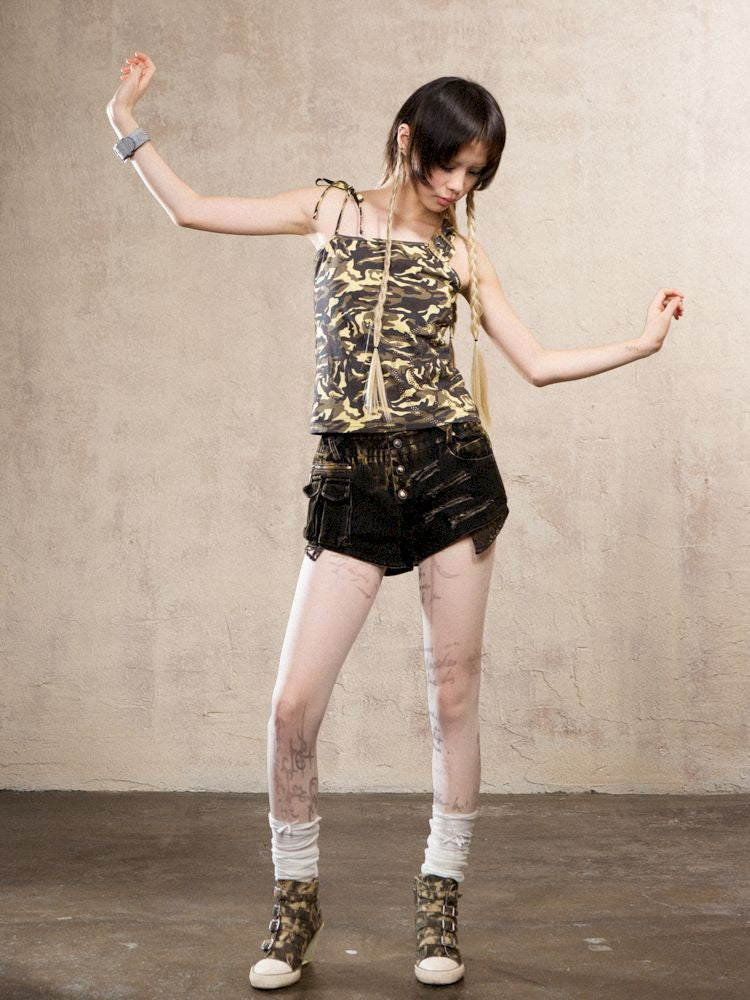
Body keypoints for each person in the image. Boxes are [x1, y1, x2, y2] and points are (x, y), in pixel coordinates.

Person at [107, 53, 685, 991]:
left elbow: (535, 364)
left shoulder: (463, 254)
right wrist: (124, 122)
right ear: (409, 141)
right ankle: (296, 902)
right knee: (292, 707)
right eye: (449, 165)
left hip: (450, 476)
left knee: (452, 696)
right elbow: (194, 209)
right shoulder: (332, 210)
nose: (459, 187)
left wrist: (643, 342)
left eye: (477, 174)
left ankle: (440, 900)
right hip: (351, 481)